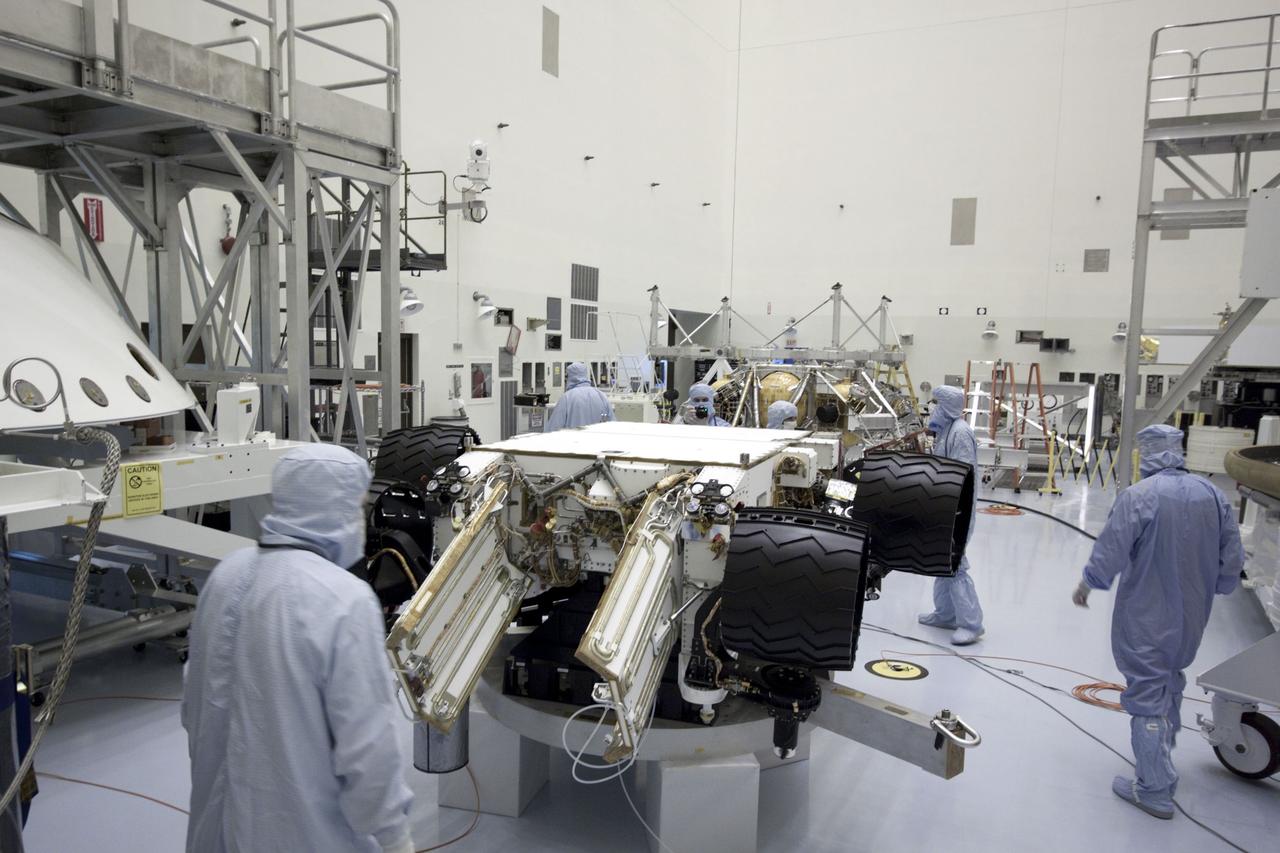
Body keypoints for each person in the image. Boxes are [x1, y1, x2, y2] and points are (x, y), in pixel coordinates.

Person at [182, 444, 414, 853]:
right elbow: (367, 747)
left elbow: (194, 708)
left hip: (213, 831)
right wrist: (394, 836)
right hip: (302, 834)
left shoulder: (225, 575)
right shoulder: (343, 598)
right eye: (357, 506)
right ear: (337, 507)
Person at [1072, 423, 1244, 820]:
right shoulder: (1211, 494)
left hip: (1147, 612)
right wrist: (1222, 584)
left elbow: (1111, 549)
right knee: (1170, 679)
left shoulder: (1139, 496)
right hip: (1193, 613)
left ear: (1146, 452)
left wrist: (1088, 584)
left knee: (1147, 690)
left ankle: (1153, 789)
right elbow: (1232, 553)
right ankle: (1161, 758)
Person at [916, 385, 984, 645]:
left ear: (947, 407)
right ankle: (945, 614)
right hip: (946, 506)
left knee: (956, 563)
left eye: (936, 403)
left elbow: (961, 475)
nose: (932, 408)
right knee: (943, 559)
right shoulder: (946, 430)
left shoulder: (960, 432)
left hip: (958, 509)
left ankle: (971, 624)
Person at [545, 362, 615, 431]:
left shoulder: (567, 398)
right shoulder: (601, 396)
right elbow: (613, 424)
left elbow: (553, 427)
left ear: (571, 377)